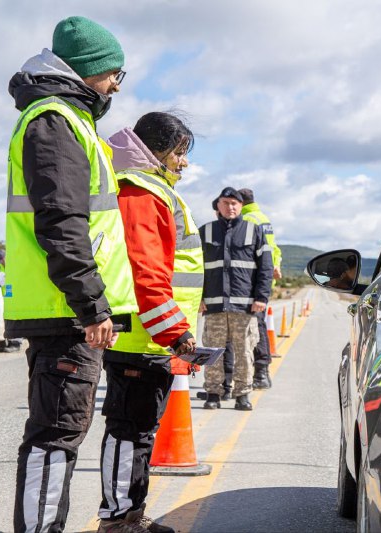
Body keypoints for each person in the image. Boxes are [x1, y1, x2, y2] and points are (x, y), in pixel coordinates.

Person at [5, 16, 138, 533]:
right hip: (65, 311)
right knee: (55, 437)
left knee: (59, 434)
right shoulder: (55, 120)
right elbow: (61, 222)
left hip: (66, 308)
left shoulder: (67, 118)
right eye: (113, 73)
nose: (116, 86)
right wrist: (91, 305)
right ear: (88, 70)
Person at [97, 112, 204, 532]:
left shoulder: (152, 190)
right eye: (180, 152)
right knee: (129, 432)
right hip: (141, 339)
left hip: (149, 338)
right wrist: (175, 333)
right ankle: (119, 520)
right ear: (158, 151)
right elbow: (147, 273)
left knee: (138, 431)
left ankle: (130, 515)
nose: (185, 163)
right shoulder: (142, 193)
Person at [199, 187, 272, 410]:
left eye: (234, 203)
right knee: (213, 353)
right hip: (214, 304)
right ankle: (213, 393)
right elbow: (196, 268)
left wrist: (261, 297)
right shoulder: (205, 232)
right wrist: (199, 298)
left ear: (241, 206)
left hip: (245, 305)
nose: (230, 207)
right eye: (225, 203)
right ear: (217, 206)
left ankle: (242, 395)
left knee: (244, 352)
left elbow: (265, 268)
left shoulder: (254, 231)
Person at [238, 188, 280, 389]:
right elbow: (274, 249)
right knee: (256, 325)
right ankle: (258, 372)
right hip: (262, 281)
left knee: (255, 326)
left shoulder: (248, 220)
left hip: (253, 281)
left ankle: (261, 373)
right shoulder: (263, 218)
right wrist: (276, 265)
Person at [0, 248, 23, 352]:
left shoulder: (15, 264)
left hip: (17, 296)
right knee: (8, 321)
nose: (0, 261)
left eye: (1, 259)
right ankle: (9, 342)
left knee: (16, 319)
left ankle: (16, 343)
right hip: (6, 297)